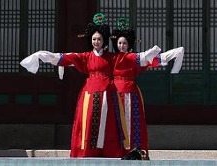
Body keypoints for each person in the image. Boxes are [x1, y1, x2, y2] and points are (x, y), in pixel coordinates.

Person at [20, 13, 161, 158]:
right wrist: (43, 56)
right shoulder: (86, 57)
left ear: (104, 40)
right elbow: (68, 57)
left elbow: (129, 58)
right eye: (94, 39)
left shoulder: (112, 57)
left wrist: (146, 55)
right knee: (89, 124)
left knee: (110, 125)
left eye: (99, 39)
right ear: (90, 40)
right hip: (90, 94)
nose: (96, 42)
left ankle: (110, 152)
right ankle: (87, 152)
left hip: (109, 94)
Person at [109, 17, 183, 158]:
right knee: (116, 123)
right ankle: (116, 152)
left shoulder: (134, 58)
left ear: (129, 44)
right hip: (116, 95)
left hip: (131, 93)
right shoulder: (112, 59)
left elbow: (151, 61)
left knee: (133, 123)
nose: (122, 45)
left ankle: (136, 152)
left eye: (124, 43)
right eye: (119, 42)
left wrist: (173, 54)